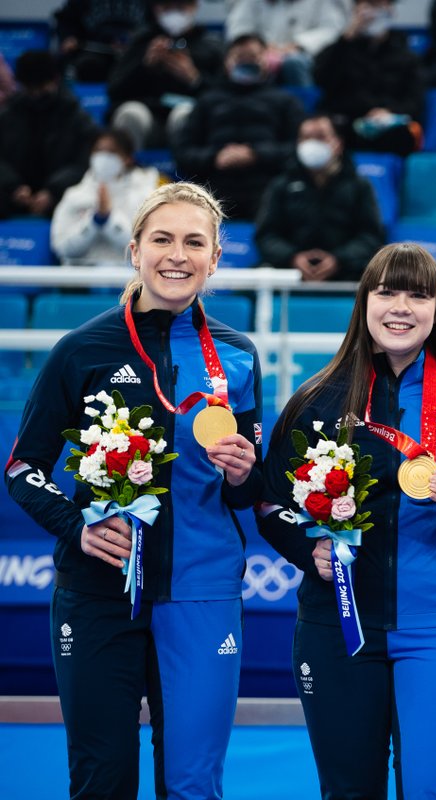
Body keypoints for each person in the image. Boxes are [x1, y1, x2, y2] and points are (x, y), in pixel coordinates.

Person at [4, 181, 263, 799]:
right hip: (98, 596)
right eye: (163, 239)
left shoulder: (238, 356)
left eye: (194, 242)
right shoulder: (82, 350)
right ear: (134, 251)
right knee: (103, 781)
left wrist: (242, 471)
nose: (178, 255)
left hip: (200, 593)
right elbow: (22, 468)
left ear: (216, 258)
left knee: (193, 784)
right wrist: (79, 527)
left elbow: (249, 488)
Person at [256, 243, 436, 799]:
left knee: (432, 792)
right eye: (387, 291)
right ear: (363, 301)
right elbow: (270, 505)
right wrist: (307, 549)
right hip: (337, 625)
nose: (401, 307)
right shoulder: (316, 399)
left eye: (419, 295)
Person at [174, 34, 305, 220]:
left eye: (252, 57)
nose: (246, 62)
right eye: (239, 57)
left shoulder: (286, 102)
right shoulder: (207, 102)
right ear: (227, 62)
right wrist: (215, 157)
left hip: (267, 188)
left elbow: (298, 149)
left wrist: (256, 154)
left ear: (266, 61)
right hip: (214, 187)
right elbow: (183, 152)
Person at [255, 114, 387, 281]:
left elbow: (371, 236)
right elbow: (266, 235)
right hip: (289, 273)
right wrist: (293, 257)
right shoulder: (281, 185)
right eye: (306, 138)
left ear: (338, 143)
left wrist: (339, 259)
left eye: (320, 137)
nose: (312, 144)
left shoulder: (359, 186)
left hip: (347, 273)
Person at [106, 0, 225, 151]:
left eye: (180, 7)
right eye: (167, 7)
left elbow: (224, 97)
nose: (174, 12)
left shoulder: (211, 46)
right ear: (156, 8)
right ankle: (131, 171)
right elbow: (114, 90)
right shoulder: (140, 41)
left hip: (187, 117)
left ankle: (187, 172)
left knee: (184, 114)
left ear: (195, 6)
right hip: (148, 118)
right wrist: (144, 66)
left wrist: (194, 79)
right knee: (131, 113)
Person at [314, 0, 426, 157]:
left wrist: (389, 112)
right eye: (367, 6)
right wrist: (347, 36)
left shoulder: (407, 57)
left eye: (378, 6)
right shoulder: (341, 49)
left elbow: (414, 101)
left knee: (403, 133)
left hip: (387, 126)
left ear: (390, 10)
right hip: (346, 124)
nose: (372, 13)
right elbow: (321, 80)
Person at [0, 50, 98, 220]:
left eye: (42, 86)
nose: (37, 94)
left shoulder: (75, 116)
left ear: (55, 80)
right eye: (31, 88)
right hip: (11, 195)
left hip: (61, 196)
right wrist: (13, 187)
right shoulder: (8, 114)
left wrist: (53, 191)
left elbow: (84, 161)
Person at [51, 128, 162, 266]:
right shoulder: (74, 196)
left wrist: (109, 219)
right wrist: (94, 222)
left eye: (111, 152)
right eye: (98, 151)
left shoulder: (147, 197)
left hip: (127, 281)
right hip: (80, 282)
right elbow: (62, 248)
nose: (103, 157)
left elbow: (147, 248)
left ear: (127, 159)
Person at [225, 0, 350, 87]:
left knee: (294, 62)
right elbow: (239, 28)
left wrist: (298, 45)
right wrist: (261, 47)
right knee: (246, 60)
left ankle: (304, 109)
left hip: (308, 55)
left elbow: (331, 29)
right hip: (260, 51)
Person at [52, 0, 146, 82]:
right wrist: (68, 37)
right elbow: (66, 19)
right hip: (95, 53)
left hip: (134, 54)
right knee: (88, 67)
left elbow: (153, 23)